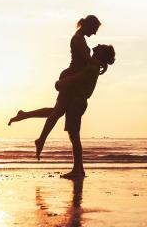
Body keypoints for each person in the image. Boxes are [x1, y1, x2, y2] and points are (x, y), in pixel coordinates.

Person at [9, 44, 115, 178]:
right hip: (75, 101)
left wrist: (60, 83)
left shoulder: (92, 67)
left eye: (102, 47)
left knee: (74, 137)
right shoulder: (92, 64)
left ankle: (78, 170)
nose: (99, 44)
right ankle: (26, 116)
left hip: (78, 103)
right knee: (56, 112)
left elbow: (77, 78)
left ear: (101, 53)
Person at [8, 15, 105, 160]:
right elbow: (86, 60)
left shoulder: (81, 38)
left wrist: (102, 64)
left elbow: (87, 62)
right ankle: (40, 139)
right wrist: (102, 63)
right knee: (57, 113)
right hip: (70, 78)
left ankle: (25, 116)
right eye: (95, 29)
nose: (95, 33)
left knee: (56, 111)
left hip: (74, 81)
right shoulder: (77, 39)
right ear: (88, 25)